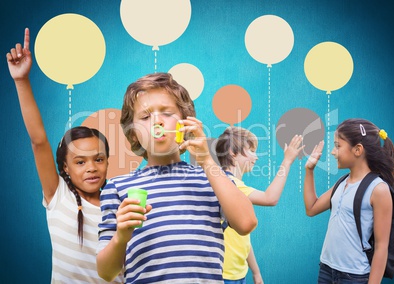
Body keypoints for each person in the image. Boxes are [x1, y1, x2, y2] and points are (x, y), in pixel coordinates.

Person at [96, 73, 258, 283]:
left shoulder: (213, 180)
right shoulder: (118, 188)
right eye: (145, 117)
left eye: (166, 112)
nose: (157, 121)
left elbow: (246, 223)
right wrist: (121, 237)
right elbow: (105, 272)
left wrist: (207, 161)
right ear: (133, 133)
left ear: (185, 123)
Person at [6, 28, 123, 283]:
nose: (91, 167)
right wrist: (21, 80)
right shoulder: (58, 195)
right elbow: (38, 141)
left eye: (98, 159)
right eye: (80, 162)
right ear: (65, 168)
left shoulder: (119, 203)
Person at [304, 118, 394, 283]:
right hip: (326, 270)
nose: (333, 152)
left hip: (353, 276)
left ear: (357, 150)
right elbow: (311, 208)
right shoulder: (342, 182)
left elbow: (381, 247)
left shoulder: (378, 189)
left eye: (338, 146)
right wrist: (309, 170)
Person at [215, 126, 304, 284]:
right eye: (250, 150)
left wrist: (255, 272)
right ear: (232, 152)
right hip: (224, 276)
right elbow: (270, 198)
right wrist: (287, 160)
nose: (256, 157)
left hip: (238, 273)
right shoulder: (231, 185)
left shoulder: (235, 187)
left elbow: (243, 238)